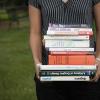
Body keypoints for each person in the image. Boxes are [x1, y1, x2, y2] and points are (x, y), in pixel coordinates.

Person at [28, 0, 100, 100]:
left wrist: (99, 59)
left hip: (87, 72)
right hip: (50, 74)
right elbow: (35, 32)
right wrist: (37, 62)